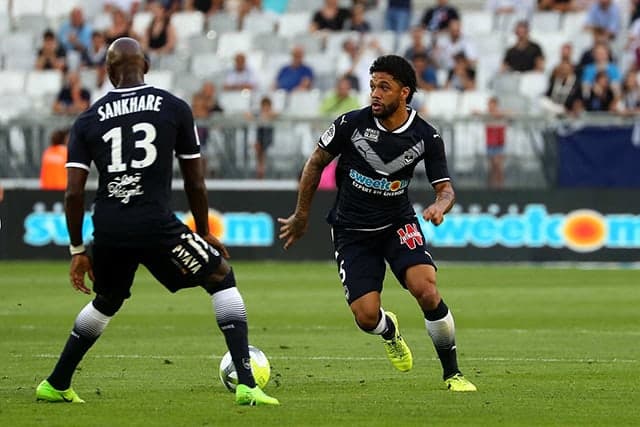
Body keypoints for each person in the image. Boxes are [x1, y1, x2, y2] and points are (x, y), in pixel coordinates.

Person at [35, 37, 279, 406]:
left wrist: (78, 250)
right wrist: (204, 231)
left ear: (108, 71)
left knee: (108, 299)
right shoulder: (174, 107)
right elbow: (194, 180)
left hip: (110, 226)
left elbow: (72, 193)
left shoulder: (86, 119)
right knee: (221, 276)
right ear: (146, 66)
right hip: (154, 223)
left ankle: (56, 383)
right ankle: (247, 383)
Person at [278, 55, 477, 392]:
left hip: (397, 223)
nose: (375, 94)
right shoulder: (350, 124)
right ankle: (389, 331)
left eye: (384, 87)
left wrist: (440, 206)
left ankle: (453, 373)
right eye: (372, 86)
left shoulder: (426, 136)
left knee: (426, 290)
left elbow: (445, 189)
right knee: (366, 316)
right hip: (351, 230)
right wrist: (301, 215)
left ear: (405, 92)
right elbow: (315, 164)